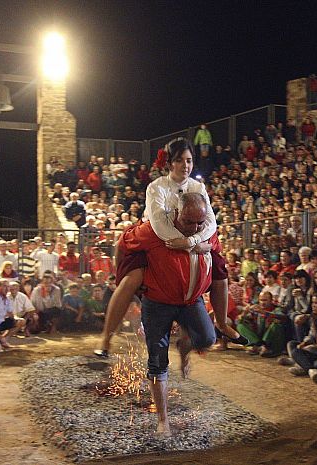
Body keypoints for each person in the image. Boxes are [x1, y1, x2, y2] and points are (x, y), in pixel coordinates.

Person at [95, 138, 243, 358]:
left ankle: (222, 323)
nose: (186, 165)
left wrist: (192, 242)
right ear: (170, 163)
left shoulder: (197, 186)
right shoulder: (157, 187)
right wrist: (183, 243)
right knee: (130, 280)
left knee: (220, 268)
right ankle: (106, 338)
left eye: (190, 160)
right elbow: (159, 224)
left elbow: (211, 221)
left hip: (193, 235)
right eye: (180, 160)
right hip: (157, 236)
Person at [119, 192, 218, 435]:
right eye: (188, 222)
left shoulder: (206, 231)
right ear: (175, 214)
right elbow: (123, 242)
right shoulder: (153, 231)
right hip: (157, 303)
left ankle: (185, 346)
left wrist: (199, 243)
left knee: (207, 339)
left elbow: (215, 250)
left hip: (191, 301)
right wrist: (124, 281)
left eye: (199, 222)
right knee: (157, 361)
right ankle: (163, 420)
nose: (194, 228)